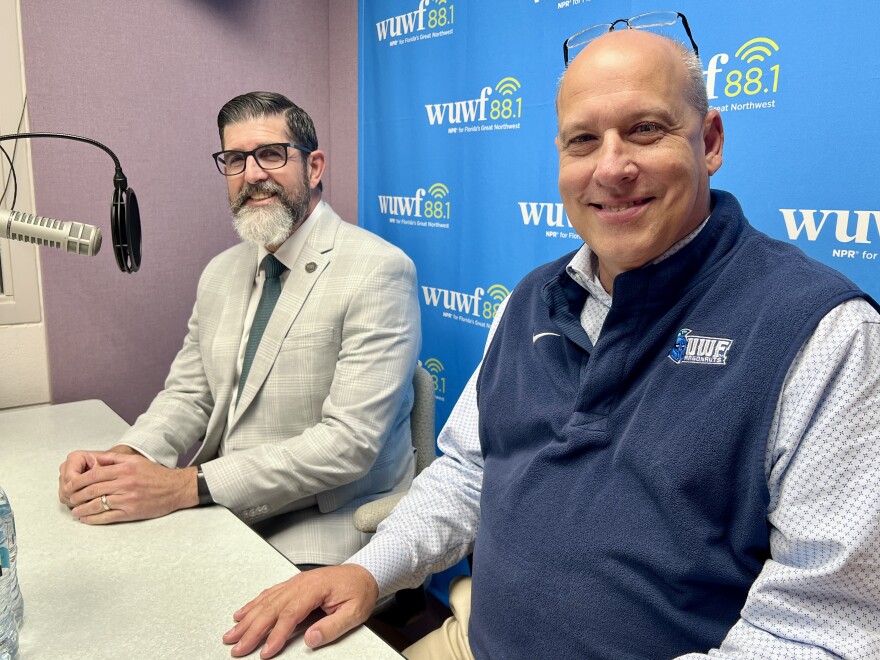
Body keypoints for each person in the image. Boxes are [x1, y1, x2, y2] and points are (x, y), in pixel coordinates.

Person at [222, 28, 880, 660]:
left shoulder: (823, 333)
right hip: (474, 641)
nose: (612, 167)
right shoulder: (530, 300)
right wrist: (369, 571)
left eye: (646, 130)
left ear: (709, 141)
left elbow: (820, 630)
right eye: (583, 141)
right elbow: (467, 472)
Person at [57, 92, 421, 567]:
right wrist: (122, 459)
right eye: (234, 159)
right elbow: (190, 394)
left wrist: (188, 485)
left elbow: (347, 445)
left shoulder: (378, 271)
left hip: (327, 528)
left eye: (271, 154)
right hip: (221, 510)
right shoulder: (219, 273)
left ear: (313, 167)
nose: (251, 174)